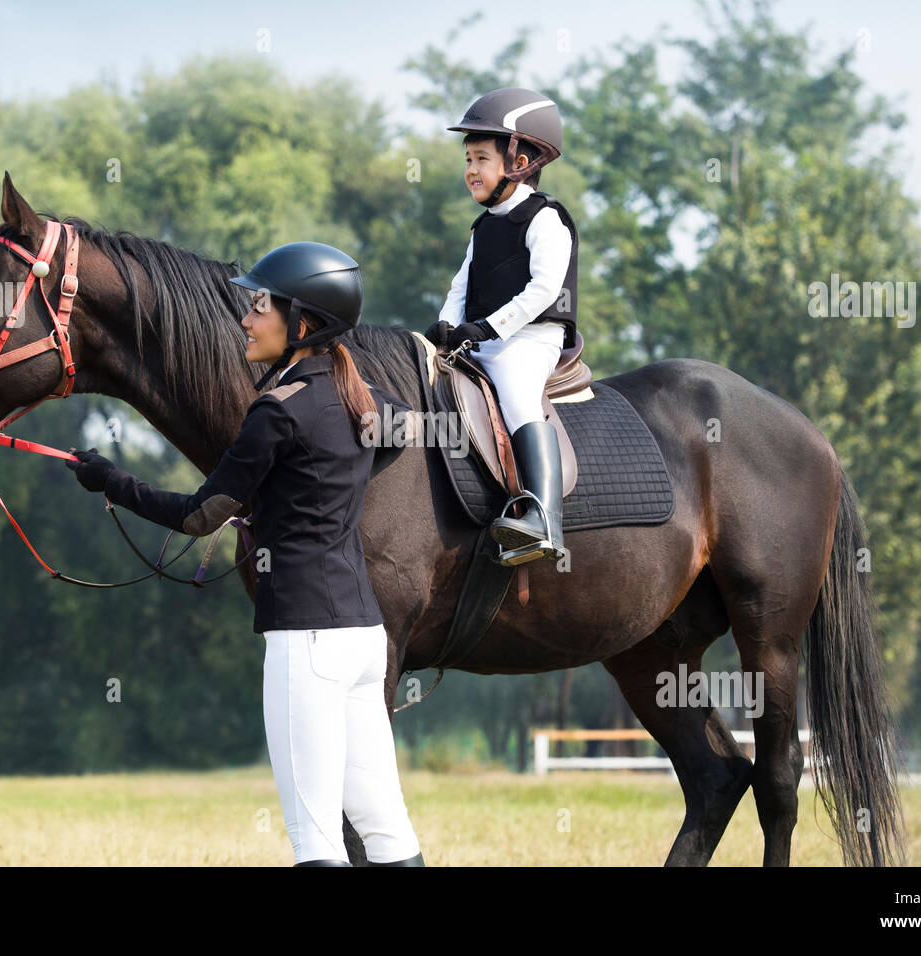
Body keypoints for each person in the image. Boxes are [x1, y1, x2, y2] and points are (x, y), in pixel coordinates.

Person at [66, 241, 424, 867]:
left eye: (261, 307)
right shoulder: (363, 398)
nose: (246, 320)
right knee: (385, 827)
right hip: (365, 638)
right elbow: (403, 432)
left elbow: (201, 515)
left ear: (302, 324)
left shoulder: (275, 412)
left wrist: (111, 483)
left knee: (314, 835)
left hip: (306, 640)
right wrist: (308, 498)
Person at [425, 87, 578, 566]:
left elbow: (544, 289)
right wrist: (446, 327)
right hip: (484, 337)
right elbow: (459, 286)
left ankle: (544, 518)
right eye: (467, 159)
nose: (470, 169)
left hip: (532, 339)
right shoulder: (484, 226)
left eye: (481, 158)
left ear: (519, 160)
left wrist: (488, 329)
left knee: (514, 391)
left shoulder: (545, 218)